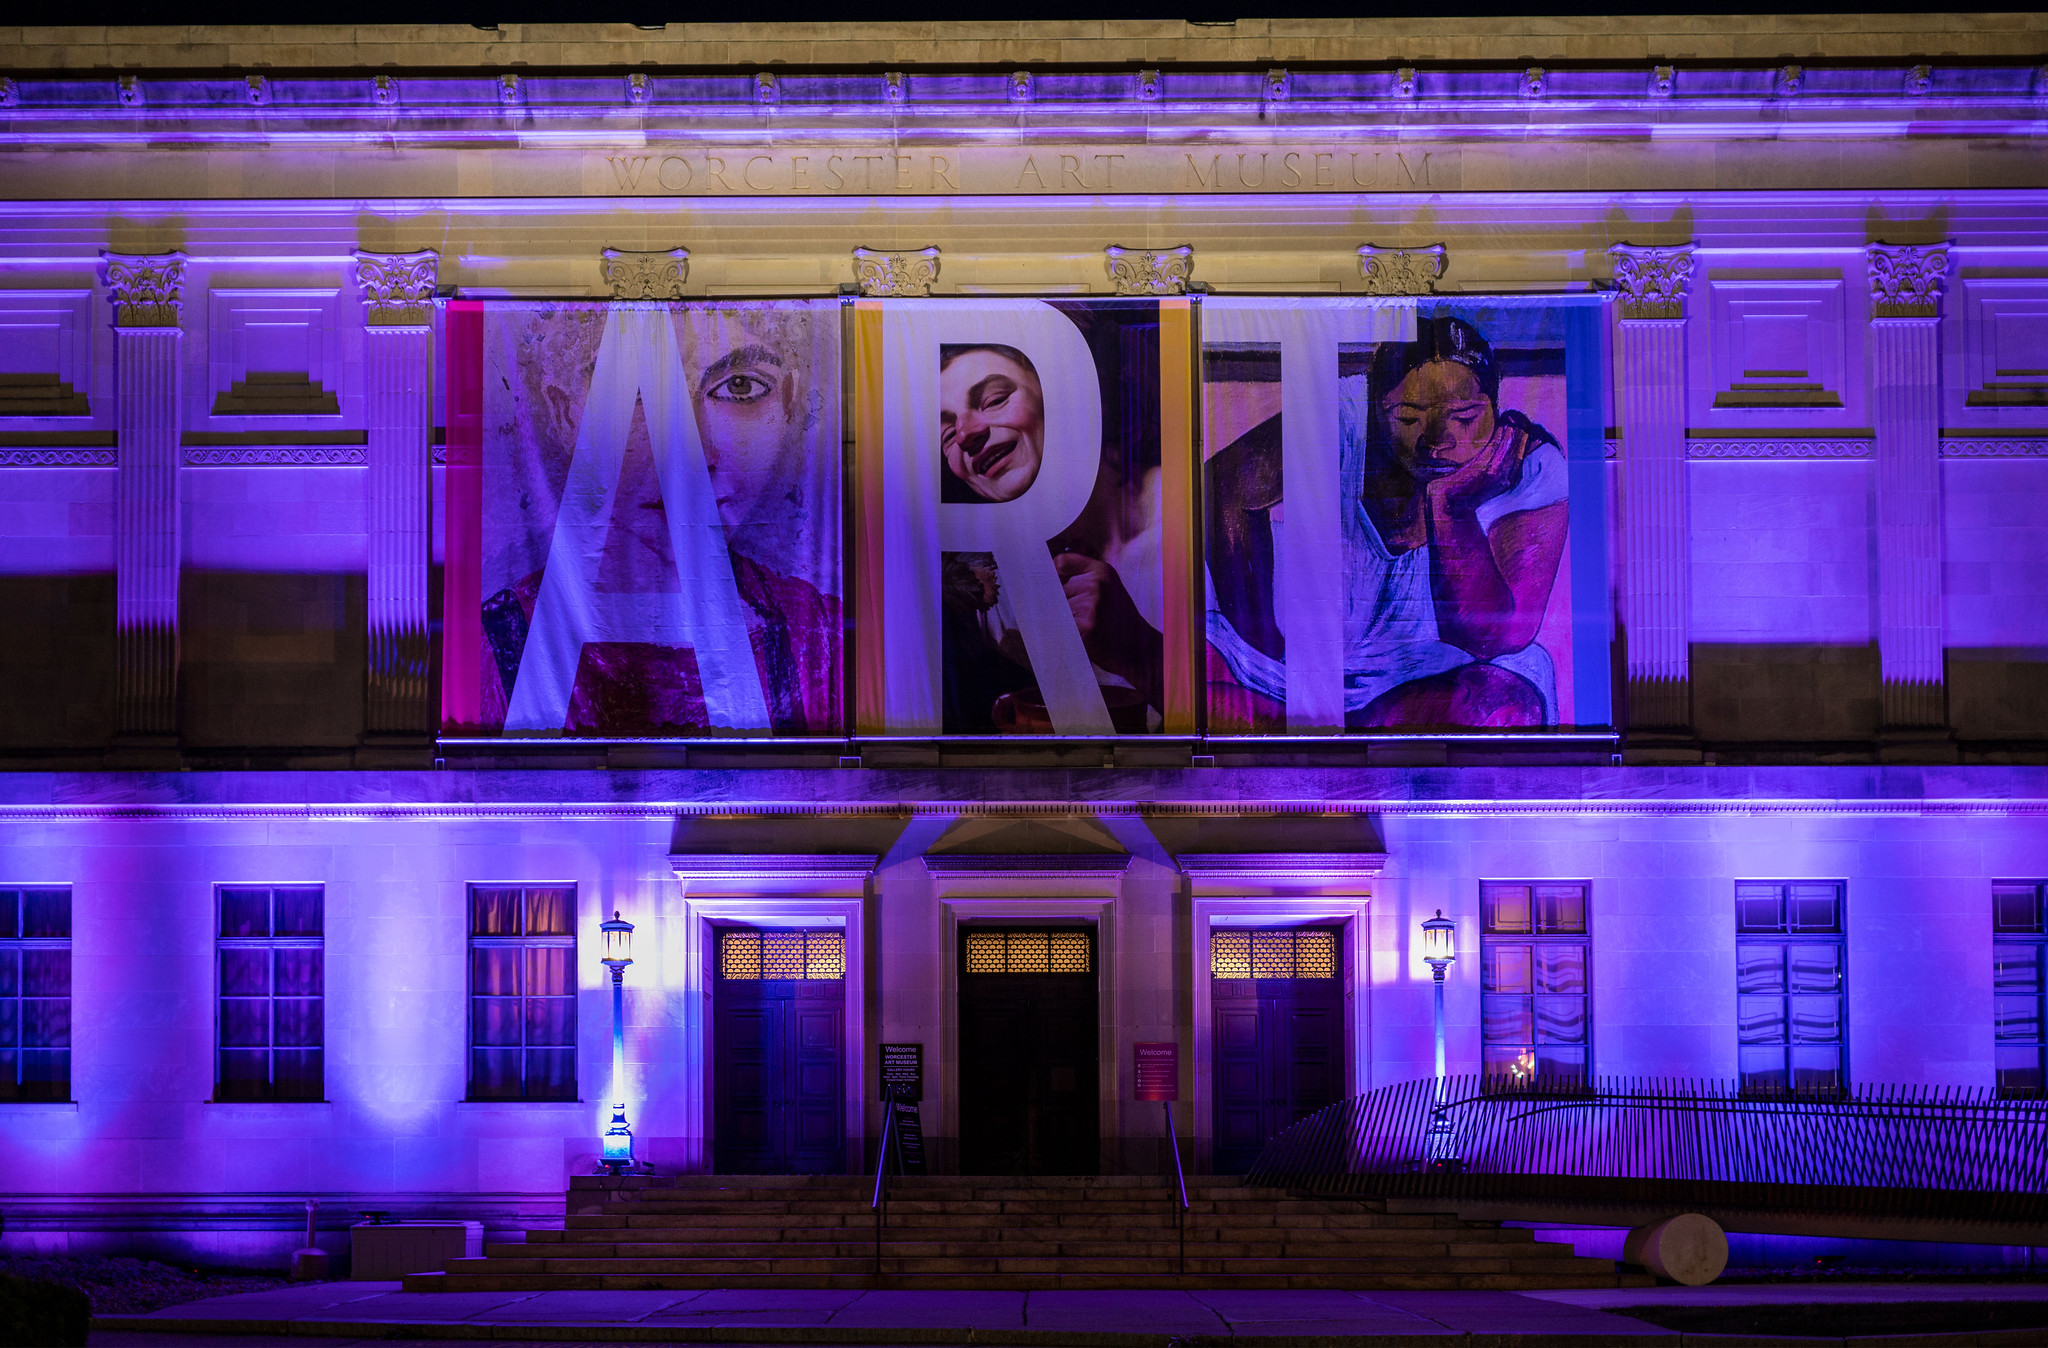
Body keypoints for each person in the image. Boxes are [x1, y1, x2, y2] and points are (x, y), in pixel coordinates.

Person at [481, 302, 840, 735]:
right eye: (636, 391)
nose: (690, 456)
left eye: (740, 387)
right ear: (562, 414)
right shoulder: (492, 645)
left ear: (785, 403)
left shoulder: (821, 635)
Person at [1207, 314, 1569, 729]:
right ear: (1377, 410)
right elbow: (1227, 485)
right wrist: (1263, 639)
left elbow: (1492, 638)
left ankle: (1338, 738)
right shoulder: (1344, 417)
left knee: (1506, 707)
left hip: (1437, 673)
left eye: (1465, 418)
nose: (1437, 438)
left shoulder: (1532, 464)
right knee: (1192, 669)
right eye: (1409, 418)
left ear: (1496, 405)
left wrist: (1450, 504)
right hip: (1305, 665)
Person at [937, 338, 1165, 732]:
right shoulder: (995, 602)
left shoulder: (1208, 525)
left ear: (1064, 394)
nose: (964, 435)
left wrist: (1139, 652)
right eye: (945, 435)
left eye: (993, 400)